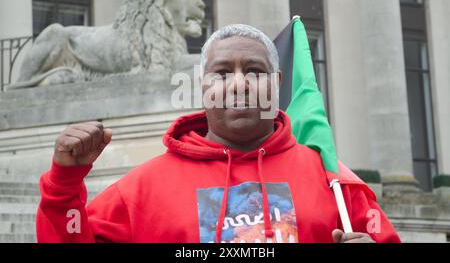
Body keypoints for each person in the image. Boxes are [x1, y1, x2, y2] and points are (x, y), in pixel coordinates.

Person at [36, 24, 400, 243]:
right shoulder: (139, 190)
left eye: (255, 71)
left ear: (276, 84)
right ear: (203, 87)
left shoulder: (333, 179)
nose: (239, 83)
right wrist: (64, 185)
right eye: (222, 73)